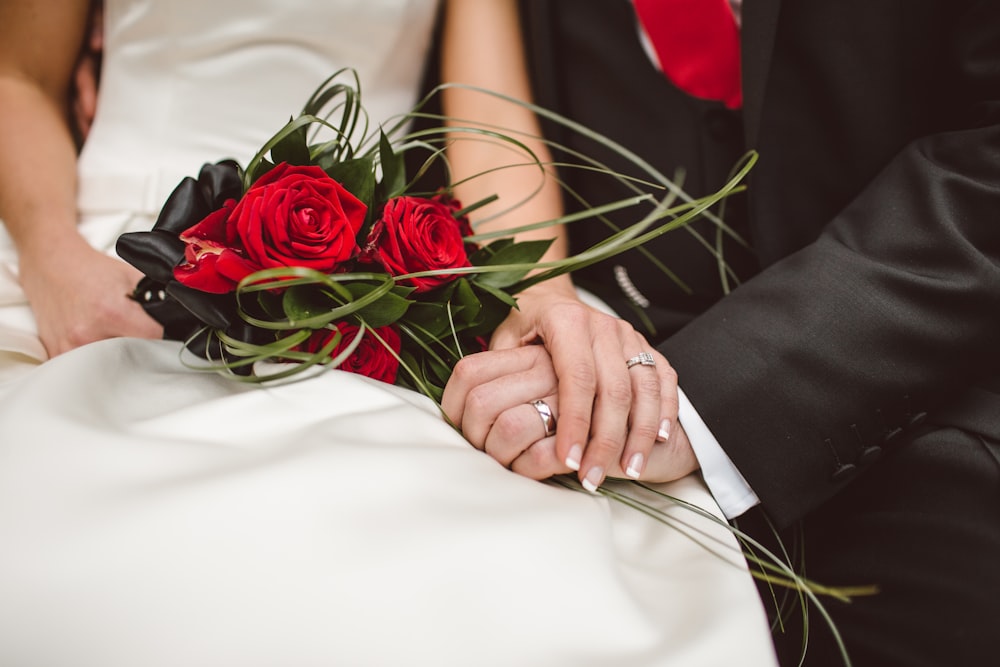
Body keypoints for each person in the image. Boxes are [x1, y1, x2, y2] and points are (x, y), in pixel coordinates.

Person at [0, 1, 778, 665]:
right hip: (104, 247)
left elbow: (487, 113)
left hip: (371, 287)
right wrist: (52, 258)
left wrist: (541, 295)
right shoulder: (68, 259)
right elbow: (19, 77)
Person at [441, 1, 1000, 666]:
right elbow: (489, 79)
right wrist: (542, 293)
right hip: (573, 367)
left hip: (917, 394)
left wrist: (703, 405)